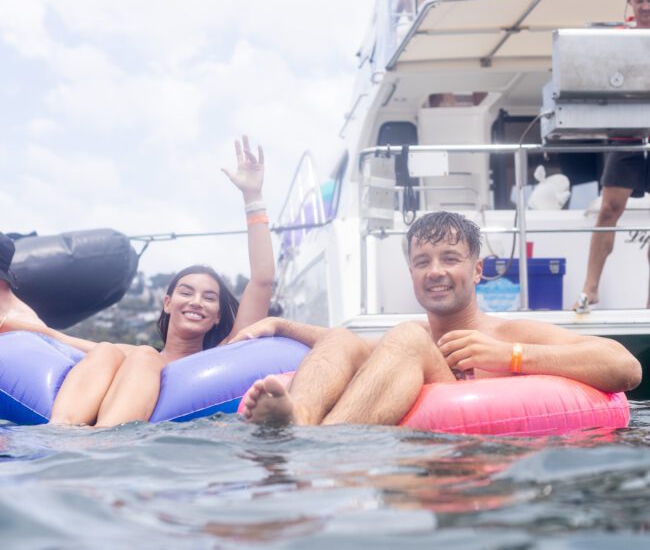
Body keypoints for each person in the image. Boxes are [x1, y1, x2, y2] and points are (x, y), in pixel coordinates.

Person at [234, 211, 641, 427]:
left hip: (477, 470)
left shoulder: (504, 333)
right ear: (411, 273)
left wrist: (511, 357)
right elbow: (343, 345)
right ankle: (300, 418)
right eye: (422, 262)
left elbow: (626, 366)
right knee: (343, 337)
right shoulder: (412, 344)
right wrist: (279, 324)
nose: (435, 271)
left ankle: (318, 451)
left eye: (450, 259)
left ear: (477, 270)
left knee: (409, 337)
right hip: (415, 467)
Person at [0, 136, 280, 426]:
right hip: (87, 431)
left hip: (126, 439)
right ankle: (60, 433)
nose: (196, 301)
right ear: (168, 303)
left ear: (217, 315)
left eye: (209, 298)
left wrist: (253, 198)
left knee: (143, 356)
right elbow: (59, 339)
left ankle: (99, 439)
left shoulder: (224, 356)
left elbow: (262, 280)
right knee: (106, 350)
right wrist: (11, 324)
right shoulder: (129, 356)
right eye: (187, 292)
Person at [575, 0, 650, 313]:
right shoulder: (618, 38)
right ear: (630, 3)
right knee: (608, 210)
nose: (646, 7)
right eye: (640, 2)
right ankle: (591, 288)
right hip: (626, 134)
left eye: (649, 1)